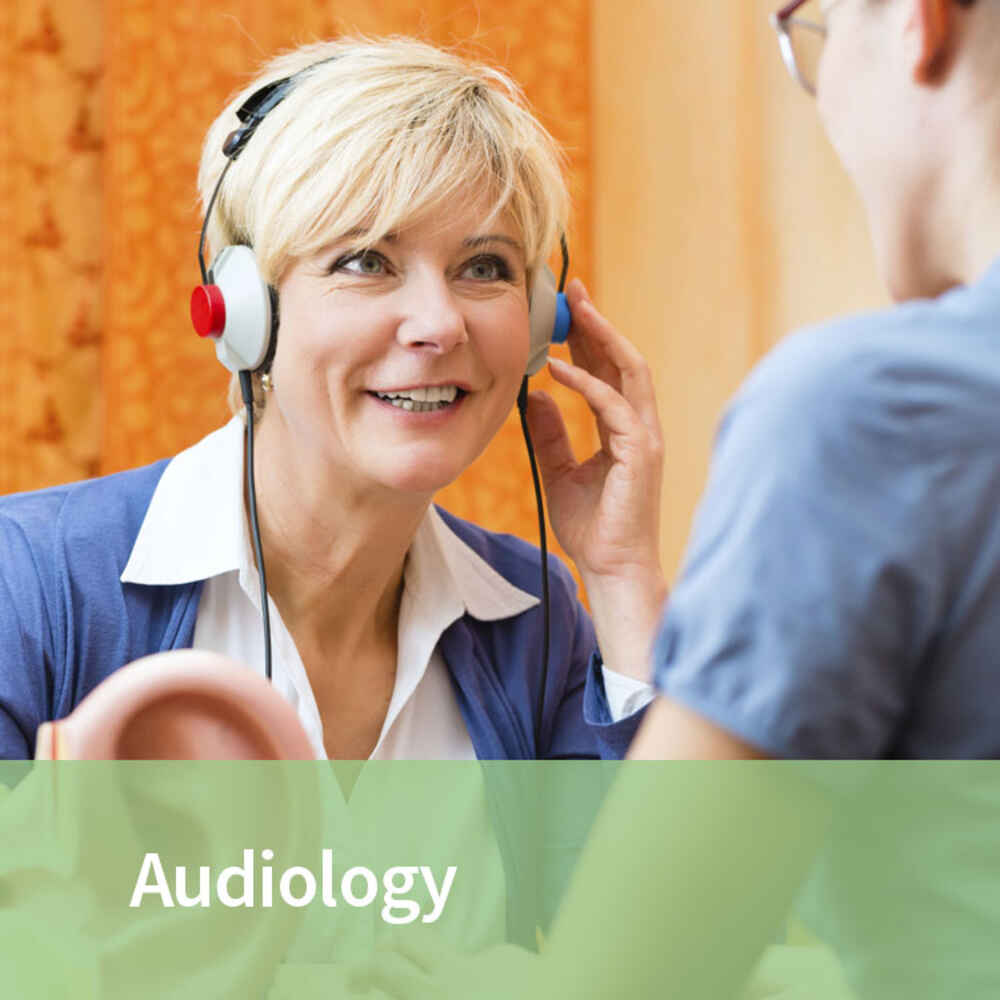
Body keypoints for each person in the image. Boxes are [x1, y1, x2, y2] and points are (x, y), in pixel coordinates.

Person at [356, 1, 1000, 997]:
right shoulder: (42, 572)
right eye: (365, 263)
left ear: (915, 22)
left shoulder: (873, 416)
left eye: (812, 35)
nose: (434, 322)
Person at [0, 37, 667, 765]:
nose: (440, 324)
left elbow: (666, 880)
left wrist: (622, 576)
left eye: (484, 266)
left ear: (539, 321)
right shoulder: (31, 586)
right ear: (246, 312)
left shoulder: (534, 621)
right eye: (365, 261)